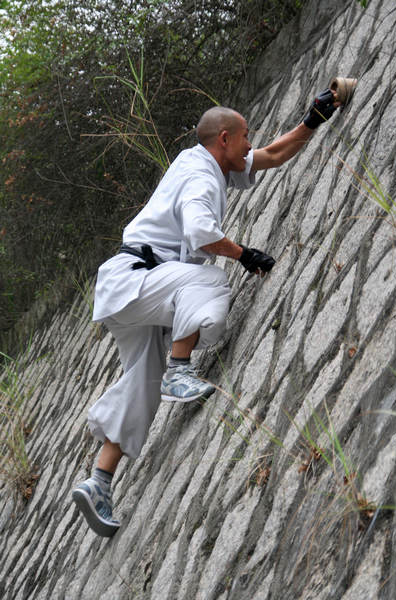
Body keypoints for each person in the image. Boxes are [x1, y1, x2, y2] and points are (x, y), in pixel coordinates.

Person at [72, 89, 339, 537]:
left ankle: (98, 481)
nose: (251, 144)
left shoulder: (205, 163)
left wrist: (312, 120)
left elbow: (272, 154)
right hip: (140, 278)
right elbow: (199, 233)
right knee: (211, 280)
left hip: (126, 287)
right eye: (245, 137)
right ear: (224, 139)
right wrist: (244, 254)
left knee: (141, 379)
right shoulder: (201, 176)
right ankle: (181, 368)